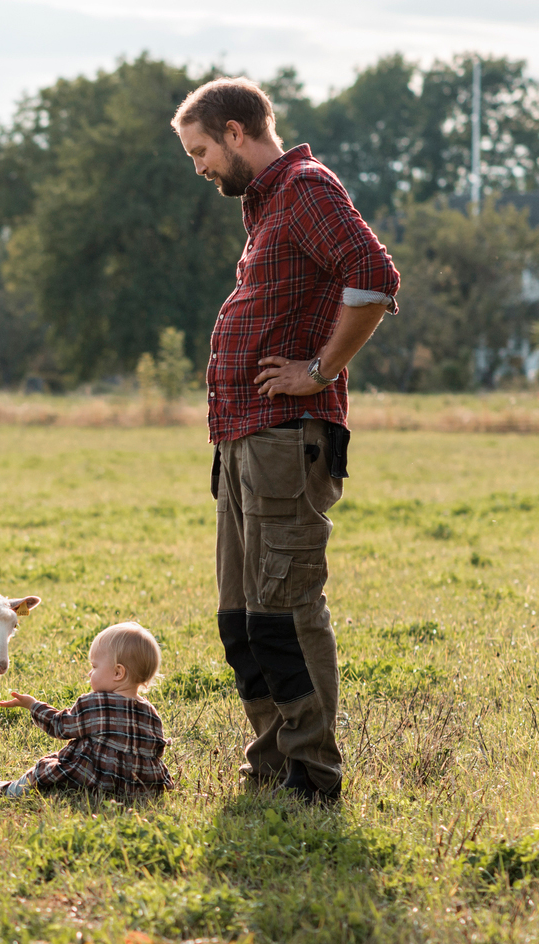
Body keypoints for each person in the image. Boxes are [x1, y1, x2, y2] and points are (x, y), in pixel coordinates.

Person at [172, 78, 400, 804]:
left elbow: (372, 274)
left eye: (201, 150)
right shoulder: (265, 206)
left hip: (283, 438)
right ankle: (270, 761)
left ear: (236, 131)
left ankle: (310, 774)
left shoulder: (302, 186)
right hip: (242, 439)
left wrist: (318, 369)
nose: (199, 166)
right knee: (241, 616)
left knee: (284, 608)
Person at [0, 622, 172, 797]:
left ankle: (9, 789)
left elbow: (60, 726)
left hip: (95, 780)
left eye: (95, 666)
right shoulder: (151, 712)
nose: (90, 672)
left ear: (118, 672)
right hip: (142, 787)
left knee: (47, 767)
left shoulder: (96, 704)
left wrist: (33, 705)